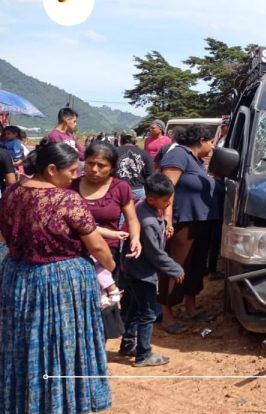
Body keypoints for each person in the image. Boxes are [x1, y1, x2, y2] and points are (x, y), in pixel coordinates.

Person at [0, 140, 115, 413]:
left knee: (23, 342)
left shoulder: (12, 192)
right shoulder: (66, 199)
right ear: (52, 169)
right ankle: (63, 403)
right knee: (65, 343)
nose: (75, 176)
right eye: (72, 170)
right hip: (62, 282)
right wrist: (109, 266)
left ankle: (24, 402)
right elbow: (97, 245)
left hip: (17, 276)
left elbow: (3, 235)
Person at [70, 141, 142, 337]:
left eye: (101, 165)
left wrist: (135, 238)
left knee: (103, 301)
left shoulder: (120, 187)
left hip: (105, 253)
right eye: (90, 163)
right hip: (74, 253)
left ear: (112, 168)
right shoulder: (72, 186)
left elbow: (132, 218)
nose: (94, 169)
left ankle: (99, 349)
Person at [158, 124, 223, 334]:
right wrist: (168, 219)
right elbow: (166, 188)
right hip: (182, 221)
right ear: (200, 140)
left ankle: (190, 308)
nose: (212, 146)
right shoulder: (177, 155)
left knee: (195, 266)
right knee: (176, 265)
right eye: (211, 142)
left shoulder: (196, 161)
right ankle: (166, 314)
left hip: (200, 221)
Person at [120, 173, 184, 366]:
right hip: (143, 273)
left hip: (131, 269)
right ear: (151, 199)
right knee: (147, 313)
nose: (168, 204)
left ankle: (128, 343)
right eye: (165, 201)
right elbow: (154, 253)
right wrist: (175, 269)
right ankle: (143, 354)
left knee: (131, 308)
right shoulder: (147, 222)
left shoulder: (144, 207)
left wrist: (164, 224)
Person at [116, 130, 153, 203]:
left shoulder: (114, 152)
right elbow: (150, 175)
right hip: (139, 191)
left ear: (121, 139)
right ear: (135, 140)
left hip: (119, 190)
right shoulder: (144, 153)